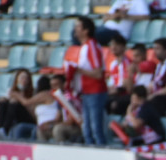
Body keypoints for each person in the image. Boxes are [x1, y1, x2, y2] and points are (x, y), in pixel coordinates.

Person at [74, 16, 109, 145]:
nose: (75, 30)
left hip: (95, 92)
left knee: (96, 130)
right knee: (87, 131)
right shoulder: (85, 47)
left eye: (78, 27)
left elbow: (98, 73)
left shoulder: (92, 47)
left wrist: (79, 70)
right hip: (87, 92)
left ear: (86, 30)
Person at [8, 75, 62, 141]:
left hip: (49, 125)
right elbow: (33, 115)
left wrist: (16, 94)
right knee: (15, 128)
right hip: (40, 125)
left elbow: (26, 102)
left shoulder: (45, 94)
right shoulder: (40, 102)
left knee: (22, 128)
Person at [0, 69, 35, 136]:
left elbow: (30, 108)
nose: (24, 80)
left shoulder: (33, 92)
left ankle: (5, 130)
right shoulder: (12, 90)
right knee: (2, 101)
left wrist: (19, 97)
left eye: (26, 78)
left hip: (27, 116)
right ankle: (0, 127)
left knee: (14, 102)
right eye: (22, 77)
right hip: (14, 114)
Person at [49, 73, 84, 143]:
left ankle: (61, 152)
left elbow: (71, 121)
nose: (54, 88)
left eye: (56, 85)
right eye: (52, 86)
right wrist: (49, 125)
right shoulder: (59, 99)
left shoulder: (69, 97)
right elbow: (57, 118)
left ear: (64, 84)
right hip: (67, 125)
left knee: (58, 129)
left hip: (79, 127)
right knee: (41, 130)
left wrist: (53, 126)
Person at [106, 33, 133, 115]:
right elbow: (112, 82)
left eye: (116, 45)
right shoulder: (113, 64)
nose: (113, 47)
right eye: (112, 45)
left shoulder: (129, 64)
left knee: (113, 105)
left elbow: (128, 85)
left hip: (125, 94)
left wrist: (116, 90)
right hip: (114, 93)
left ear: (123, 47)